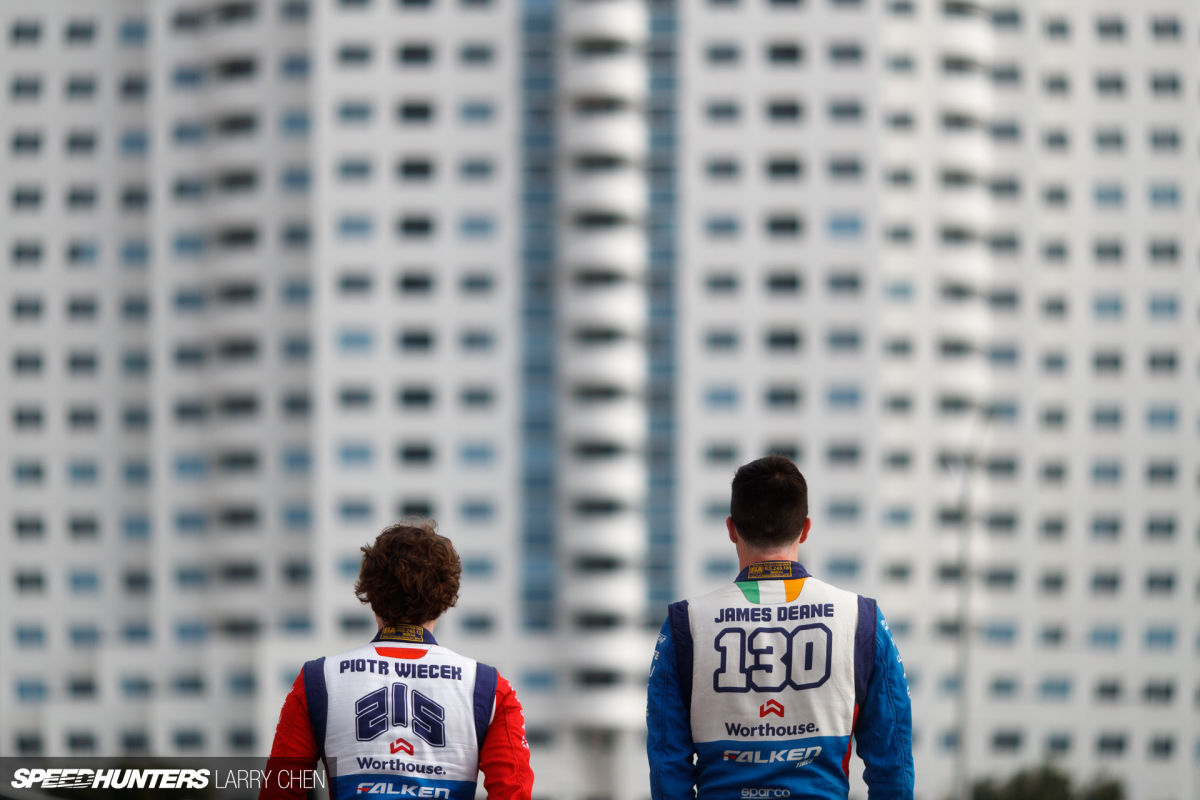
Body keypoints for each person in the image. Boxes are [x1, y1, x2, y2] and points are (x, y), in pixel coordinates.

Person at [647, 456, 913, 799]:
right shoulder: (861, 620)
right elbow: (894, 768)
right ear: (805, 528)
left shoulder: (686, 625)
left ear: (731, 529)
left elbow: (668, 770)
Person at [263, 521, 534, 800]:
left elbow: (278, 792)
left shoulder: (318, 680)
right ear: (445, 599)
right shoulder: (491, 689)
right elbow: (512, 793)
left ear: (371, 595)